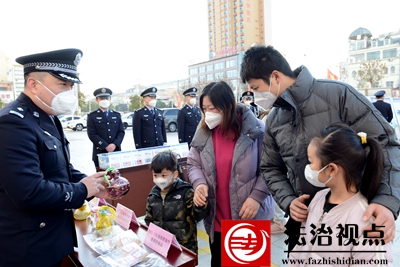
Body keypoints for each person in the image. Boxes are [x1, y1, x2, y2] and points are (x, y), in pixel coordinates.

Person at [240, 45, 400, 254]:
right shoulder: (274, 119)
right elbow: (270, 167)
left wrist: (386, 201)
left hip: (352, 217)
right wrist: (289, 201)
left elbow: (386, 144)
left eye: (256, 87)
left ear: (275, 76)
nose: (255, 96)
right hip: (306, 221)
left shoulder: (339, 95)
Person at [0, 49, 112, 266]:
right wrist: (82, 190)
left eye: (71, 86)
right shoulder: (13, 123)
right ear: (33, 84)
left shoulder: (49, 117)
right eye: (63, 85)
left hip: (52, 239)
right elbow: (29, 192)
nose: (69, 92)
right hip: (28, 249)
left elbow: (61, 169)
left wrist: (96, 184)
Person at [187, 81, 275, 267]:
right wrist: (199, 183)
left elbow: (271, 167)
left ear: (228, 106)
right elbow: (193, 163)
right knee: (218, 262)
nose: (207, 113)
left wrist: (257, 197)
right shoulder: (204, 130)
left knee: (247, 264)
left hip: (248, 215)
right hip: (217, 217)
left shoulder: (255, 130)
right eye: (204, 108)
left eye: (212, 108)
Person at [288, 123, 393, 266]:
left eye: (311, 161)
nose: (308, 167)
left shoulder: (366, 221)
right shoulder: (318, 199)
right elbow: (301, 245)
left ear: (331, 169)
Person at [144, 150, 208, 254]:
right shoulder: (153, 195)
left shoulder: (186, 192)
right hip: (161, 246)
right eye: (155, 175)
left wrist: (200, 205)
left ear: (175, 174)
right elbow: (149, 220)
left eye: (164, 175)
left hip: (184, 248)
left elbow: (198, 216)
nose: (159, 179)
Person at [87, 87, 125, 170]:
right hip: (100, 152)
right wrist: (105, 146)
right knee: (102, 179)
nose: (104, 100)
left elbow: (121, 132)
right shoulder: (92, 116)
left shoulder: (116, 115)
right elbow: (91, 134)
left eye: (106, 98)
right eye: (101, 98)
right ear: (96, 100)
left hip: (116, 152)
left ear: (110, 99)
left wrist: (114, 144)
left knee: (117, 179)